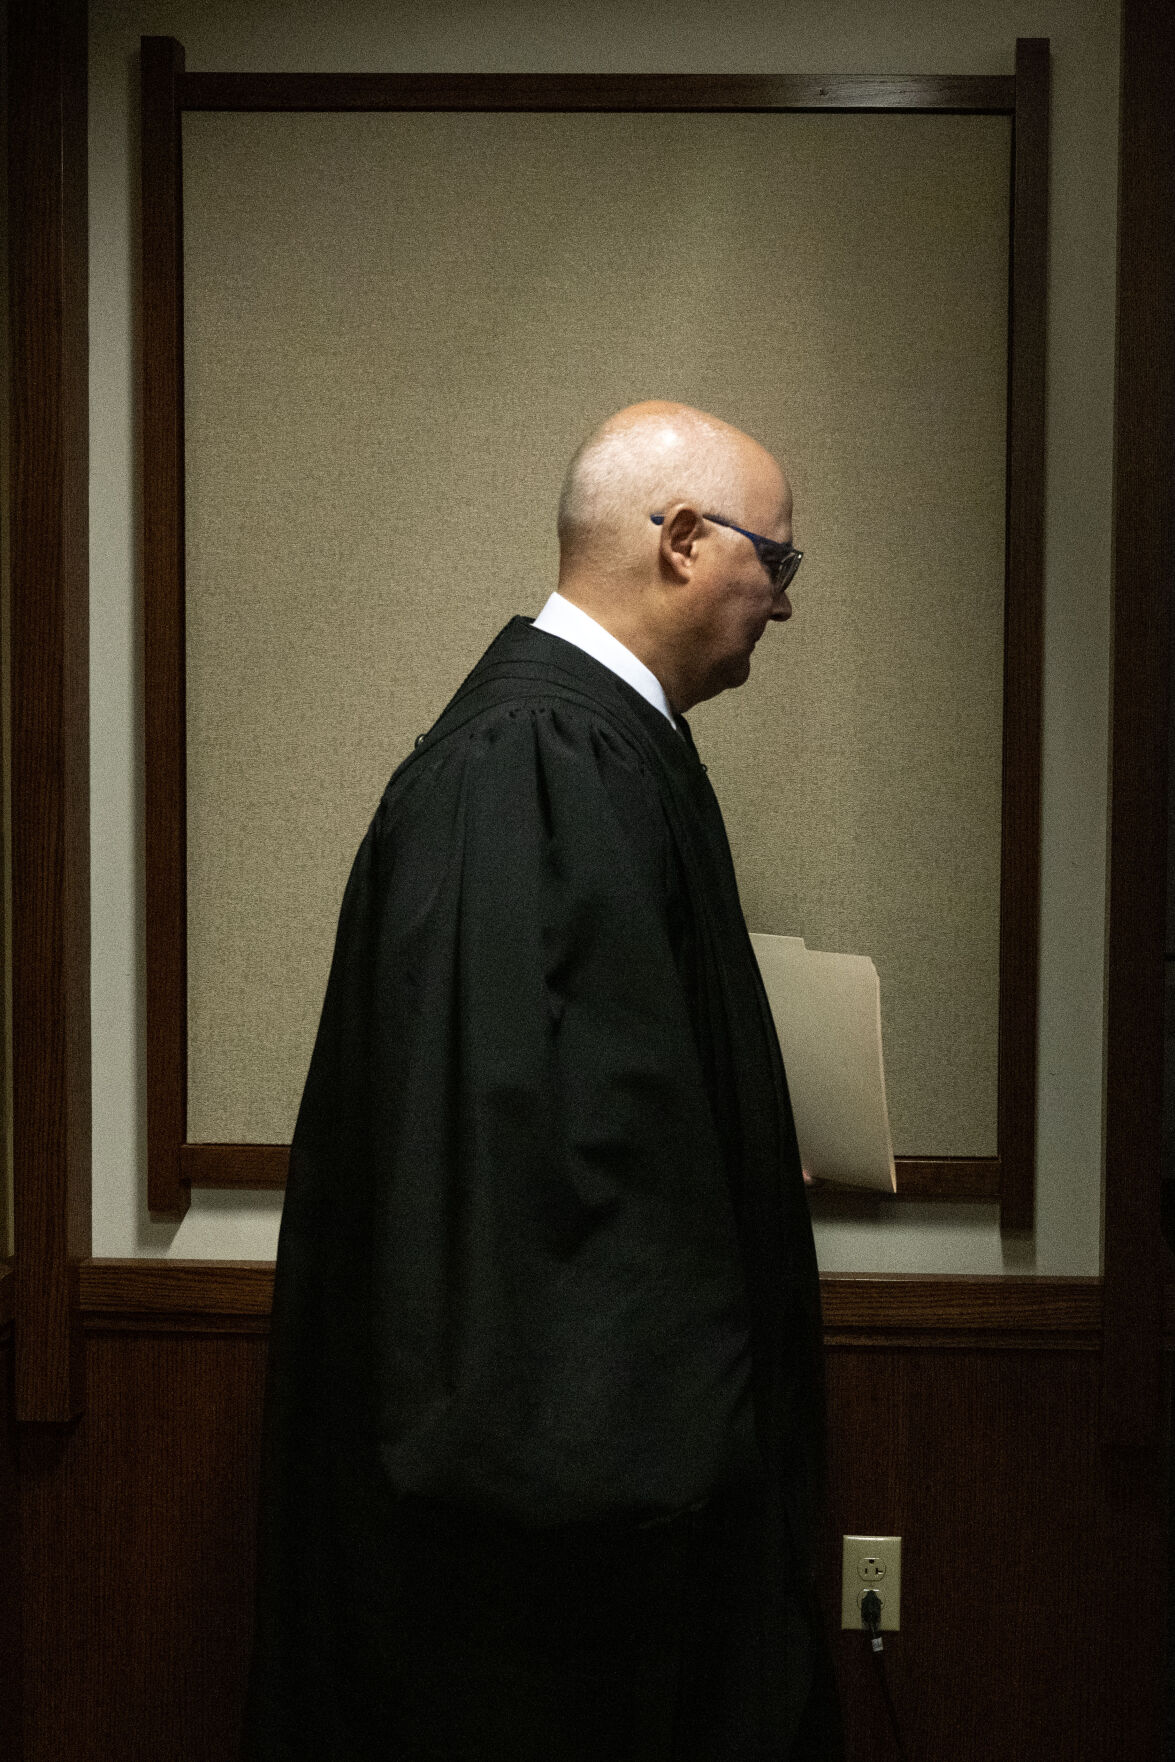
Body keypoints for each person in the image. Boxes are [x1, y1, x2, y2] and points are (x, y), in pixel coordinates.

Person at [242, 401, 843, 1761]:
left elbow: (605, 1103)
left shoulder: (582, 745)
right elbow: (535, 1192)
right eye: (779, 563)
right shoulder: (534, 762)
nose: (785, 605)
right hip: (560, 1599)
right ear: (683, 540)